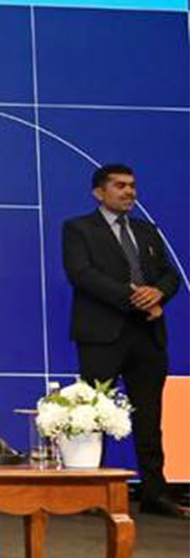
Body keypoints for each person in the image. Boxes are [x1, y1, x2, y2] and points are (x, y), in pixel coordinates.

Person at [63, 163, 184, 518]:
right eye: (120, 186)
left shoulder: (147, 231)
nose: (129, 192)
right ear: (99, 192)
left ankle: (154, 492)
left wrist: (158, 294)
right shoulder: (78, 228)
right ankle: (89, 492)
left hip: (147, 335)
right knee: (93, 413)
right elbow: (81, 274)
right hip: (103, 334)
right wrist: (134, 297)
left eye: (132, 186)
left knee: (150, 416)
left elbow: (169, 275)